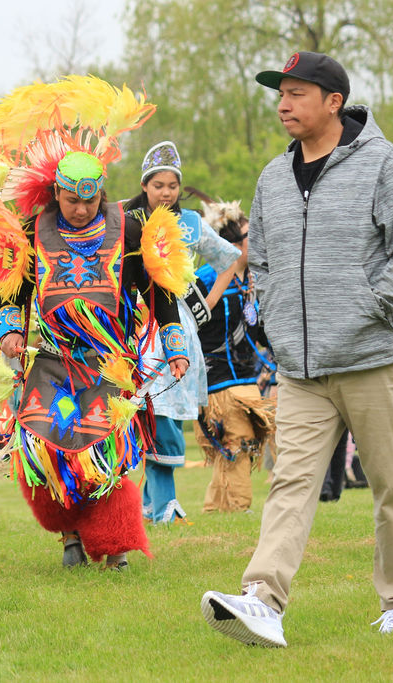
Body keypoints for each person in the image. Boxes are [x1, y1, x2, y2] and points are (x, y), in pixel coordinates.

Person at [201, 51, 393, 645]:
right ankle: (262, 600)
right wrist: (273, 316)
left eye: (296, 93)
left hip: (372, 359)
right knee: (290, 482)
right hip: (300, 368)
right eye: (280, 93)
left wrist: (370, 305)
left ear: (333, 102)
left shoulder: (384, 165)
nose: (282, 104)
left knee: (392, 484)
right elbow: (258, 259)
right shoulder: (272, 176)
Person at [0, 76, 192, 570]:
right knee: (52, 449)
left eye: (90, 200)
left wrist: (175, 343)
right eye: (71, 200)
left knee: (106, 451)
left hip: (108, 363)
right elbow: (15, 288)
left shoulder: (129, 228)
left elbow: (159, 290)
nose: (81, 210)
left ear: (101, 192)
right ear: (56, 193)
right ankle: (71, 537)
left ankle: (114, 541)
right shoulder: (32, 230)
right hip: (53, 361)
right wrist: (13, 329)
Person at [124, 143, 240, 525]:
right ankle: (155, 505)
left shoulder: (190, 222)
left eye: (173, 185)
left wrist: (207, 301)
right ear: (145, 185)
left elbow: (230, 258)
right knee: (141, 409)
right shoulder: (126, 218)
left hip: (176, 328)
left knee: (164, 410)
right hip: (133, 326)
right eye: (158, 185)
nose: (167, 192)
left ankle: (160, 505)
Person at [190, 199, 275, 513]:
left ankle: (216, 508)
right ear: (233, 245)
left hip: (244, 374)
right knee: (238, 439)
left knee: (235, 444)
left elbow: (259, 327)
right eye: (251, 235)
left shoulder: (251, 279)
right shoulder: (205, 279)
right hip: (215, 377)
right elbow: (185, 326)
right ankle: (240, 507)